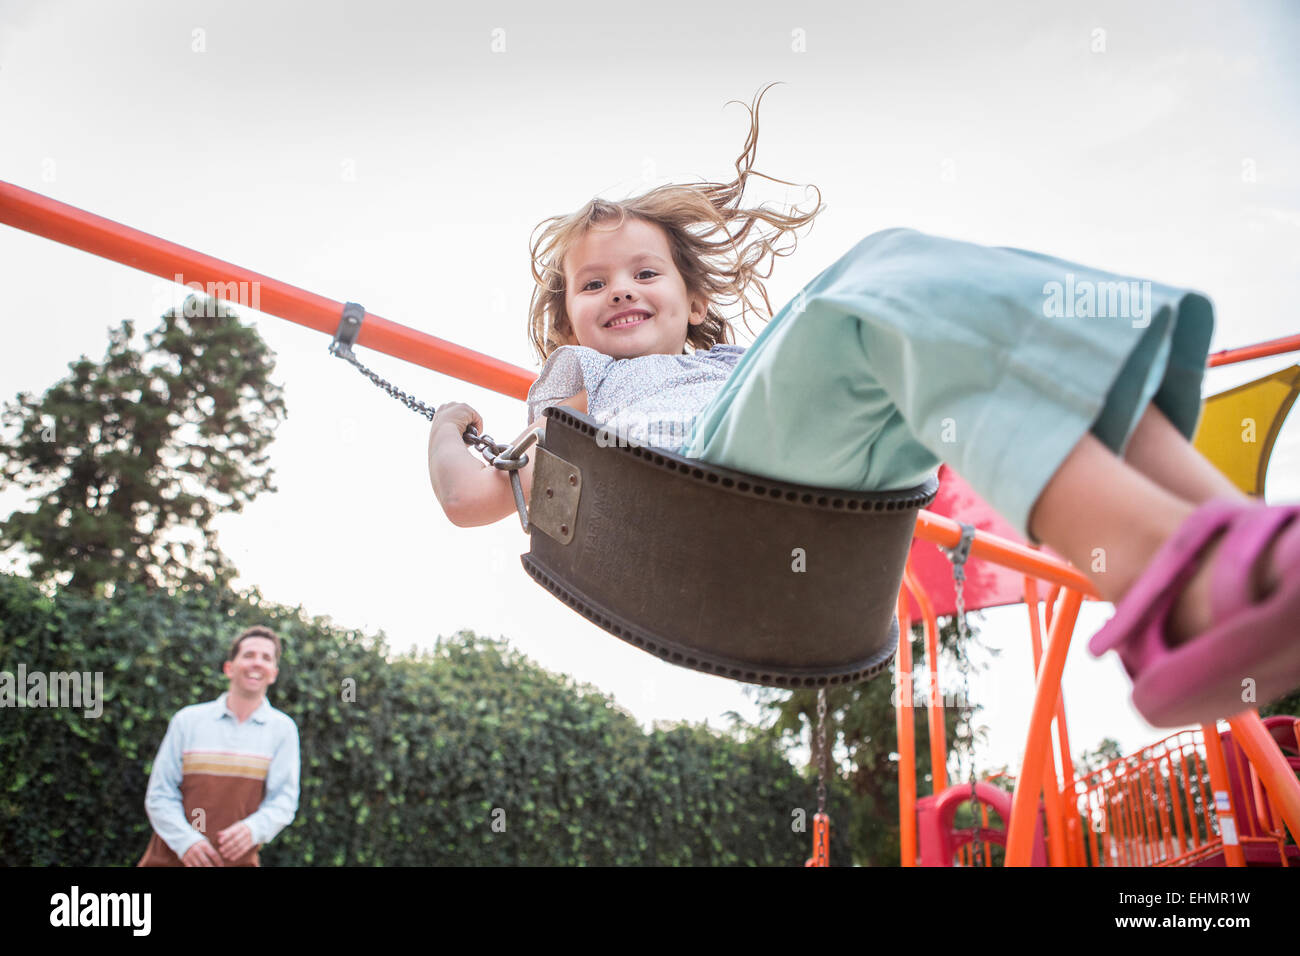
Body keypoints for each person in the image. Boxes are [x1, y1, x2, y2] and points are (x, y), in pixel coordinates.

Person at [426, 83, 1299, 730]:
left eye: (644, 273)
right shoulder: (582, 374)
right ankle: (1170, 579)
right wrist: (453, 425)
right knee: (885, 277)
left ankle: (1235, 546)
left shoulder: (739, 363)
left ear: (694, 302)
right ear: (569, 315)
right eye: (593, 283)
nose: (620, 292)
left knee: (939, 337)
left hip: (816, 488)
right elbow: (483, 496)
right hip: (693, 489)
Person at [138, 625, 300, 867]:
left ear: (273, 673)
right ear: (229, 668)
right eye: (248, 655)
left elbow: (283, 801)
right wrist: (187, 842)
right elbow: (160, 795)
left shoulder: (283, 729)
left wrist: (253, 829)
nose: (257, 663)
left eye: (266, 658)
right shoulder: (188, 721)